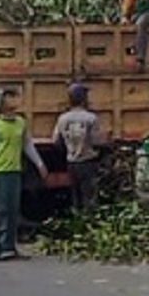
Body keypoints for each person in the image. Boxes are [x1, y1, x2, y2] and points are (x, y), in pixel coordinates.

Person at [0, 86, 48, 261]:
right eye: (10, 97)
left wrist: (39, 164)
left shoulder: (20, 122)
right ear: (1, 102)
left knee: (12, 210)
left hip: (14, 171)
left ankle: (10, 247)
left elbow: (27, 145)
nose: (15, 100)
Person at [52, 83, 103, 213]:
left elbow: (56, 141)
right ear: (84, 99)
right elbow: (96, 142)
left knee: (75, 198)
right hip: (88, 162)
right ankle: (89, 225)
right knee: (89, 198)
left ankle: (77, 223)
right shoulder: (91, 118)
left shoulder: (62, 119)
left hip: (71, 163)